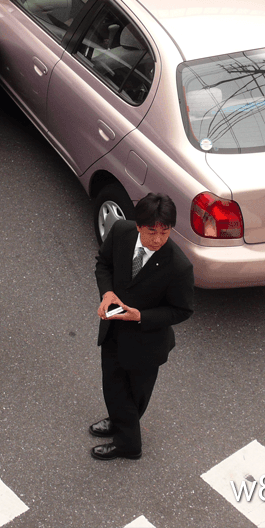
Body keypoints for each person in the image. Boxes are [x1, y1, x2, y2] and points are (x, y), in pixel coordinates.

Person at [89, 192, 193, 460]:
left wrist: (141, 317)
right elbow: (103, 265)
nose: (158, 239)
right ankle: (118, 421)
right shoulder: (121, 232)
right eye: (151, 231)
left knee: (135, 395)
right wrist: (107, 293)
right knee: (112, 384)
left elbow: (182, 310)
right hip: (113, 329)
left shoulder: (179, 266)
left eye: (165, 231)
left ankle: (129, 445)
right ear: (138, 225)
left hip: (147, 343)